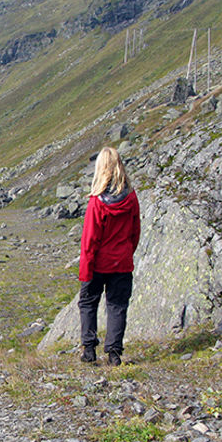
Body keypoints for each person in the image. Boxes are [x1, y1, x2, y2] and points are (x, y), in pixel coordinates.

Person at [78, 146, 140, 366]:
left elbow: (89, 240)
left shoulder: (97, 202)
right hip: (121, 262)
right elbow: (135, 232)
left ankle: (89, 349)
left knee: (88, 303)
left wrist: (85, 269)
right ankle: (114, 353)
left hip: (98, 263)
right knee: (117, 306)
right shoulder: (131, 197)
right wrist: (126, 253)